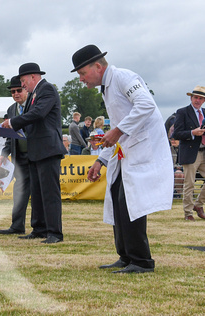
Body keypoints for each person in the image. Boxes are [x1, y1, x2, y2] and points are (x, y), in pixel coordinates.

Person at [74, 44, 173, 273]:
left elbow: (146, 104)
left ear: (98, 66)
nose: (81, 79)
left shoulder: (123, 77)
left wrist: (117, 131)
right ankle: (126, 256)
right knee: (118, 200)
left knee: (130, 203)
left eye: (82, 73)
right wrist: (100, 160)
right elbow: (117, 129)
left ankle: (142, 261)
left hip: (142, 148)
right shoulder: (107, 88)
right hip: (126, 151)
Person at [2, 62, 65, 244]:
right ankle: (39, 228)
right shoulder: (34, 94)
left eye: (23, 81)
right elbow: (30, 120)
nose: (22, 85)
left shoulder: (47, 89)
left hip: (48, 149)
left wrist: (13, 123)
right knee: (37, 193)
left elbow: (38, 113)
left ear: (33, 77)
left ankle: (54, 232)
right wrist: (5, 129)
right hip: (36, 151)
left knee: (50, 193)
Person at [0, 76, 31, 235]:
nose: (16, 93)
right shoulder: (11, 109)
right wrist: (5, 153)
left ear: (26, 89)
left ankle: (41, 228)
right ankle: (17, 225)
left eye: (19, 90)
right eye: (13, 91)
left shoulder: (35, 105)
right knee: (19, 192)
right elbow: (9, 136)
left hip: (37, 155)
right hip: (20, 157)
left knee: (38, 194)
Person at [172, 85, 205, 221]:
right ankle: (188, 213)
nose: (198, 100)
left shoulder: (204, 112)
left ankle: (198, 204)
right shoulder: (182, 112)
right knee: (189, 183)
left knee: (190, 183)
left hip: (203, 150)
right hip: (191, 151)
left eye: (200, 98)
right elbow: (176, 133)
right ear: (191, 98)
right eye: (196, 97)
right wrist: (192, 132)